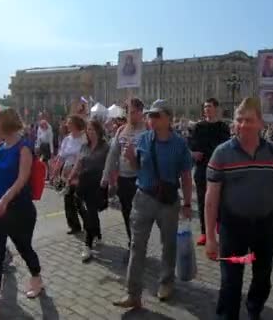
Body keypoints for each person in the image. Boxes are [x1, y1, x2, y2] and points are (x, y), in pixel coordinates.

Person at [204, 98, 273, 319]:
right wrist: (210, 236)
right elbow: (211, 199)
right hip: (232, 229)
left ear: (261, 123)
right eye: (239, 120)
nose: (242, 125)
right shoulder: (222, 153)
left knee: (262, 279)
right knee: (230, 282)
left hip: (265, 229)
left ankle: (254, 311)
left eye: (249, 120)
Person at [113, 99, 193, 308]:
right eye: (150, 115)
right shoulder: (144, 139)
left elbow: (185, 175)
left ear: (168, 118)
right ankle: (133, 293)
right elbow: (138, 167)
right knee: (137, 246)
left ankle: (166, 283)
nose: (151, 119)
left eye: (156, 115)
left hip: (168, 202)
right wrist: (130, 158)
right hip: (143, 197)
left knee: (168, 245)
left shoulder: (179, 144)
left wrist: (186, 203)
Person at [0, 108, 43, 320]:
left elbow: (21, 179)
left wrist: (4, 200)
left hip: (17, 210)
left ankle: (36, 276)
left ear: (6, 124)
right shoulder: (1, 146)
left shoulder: (24, 148)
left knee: (24, 247)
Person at [101, 98, 147, 257]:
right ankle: (132, 242)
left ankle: (139, 244)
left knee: (139, 215)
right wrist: (106, 176)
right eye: (128, 112)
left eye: (133, 112)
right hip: (123, 178)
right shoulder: (121, 130)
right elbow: (112, 155)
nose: (130, 116)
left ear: (141, 112)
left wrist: (134, 155)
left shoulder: (147, 131)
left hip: (141, 179)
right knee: (127, 213)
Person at [189, 98, 230, 245]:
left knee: (220, 200)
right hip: (202, 169)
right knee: (202, 201)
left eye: (210, 106)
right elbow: (191, 145)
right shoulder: (197, 127)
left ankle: (219, 223)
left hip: (219, 169)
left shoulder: (223, 127)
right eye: (205, 107)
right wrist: (193, 153)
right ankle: (205, 232)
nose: (206, 109)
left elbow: (226, 147)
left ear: (216, 108)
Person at [67, 120, 110, 261]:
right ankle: (97, 234)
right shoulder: (84, 146)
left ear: (98, 130)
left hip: (98, 185)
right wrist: (71, 176)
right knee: (89, 212)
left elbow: (110, 166)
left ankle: (88, 246)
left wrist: (112, 182)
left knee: (91, 212)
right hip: (84, 184)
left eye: (92, 130)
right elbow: (79, 163)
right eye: (88, 130)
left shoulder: (105, 147)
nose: (89, 132)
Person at [58, 115, 87, 234]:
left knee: (78, 200)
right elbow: (61, 156)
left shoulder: (83, 139)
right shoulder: (67, 139)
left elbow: (85, 156)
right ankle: (74, 225)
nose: (67, 125)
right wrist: (55, 170)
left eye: (69, 123)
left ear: (76, 124)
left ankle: (89, 223)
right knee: (68, 199)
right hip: (67, 171)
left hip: (79, 171)